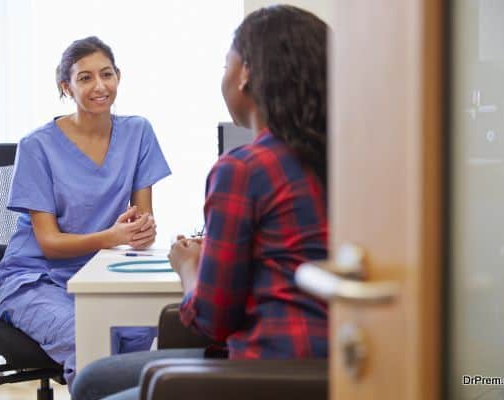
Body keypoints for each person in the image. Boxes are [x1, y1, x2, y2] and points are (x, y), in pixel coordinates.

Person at [71, 5, 328, 399]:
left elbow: (213, 319)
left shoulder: (243, 169)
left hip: (266, 369)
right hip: (334, 364)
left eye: (227, 62)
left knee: (94, 386)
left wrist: (189, 265)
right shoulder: (346, 163)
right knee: (93, 379)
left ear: (246, 74)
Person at [0, 36, 171, 389]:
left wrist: (142, 231)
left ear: (119, 75)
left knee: (143, 326)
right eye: (85, 78)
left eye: (106, 74)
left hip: (101, 273)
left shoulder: (138, 132)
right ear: (66, 87)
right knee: (87, 336)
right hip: (33, 278)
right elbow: (49, 243)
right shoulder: (37, 146)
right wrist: (112, 237)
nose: (99, 86)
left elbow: (140, 223)